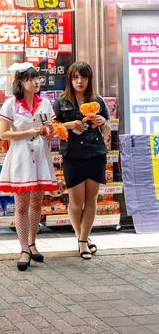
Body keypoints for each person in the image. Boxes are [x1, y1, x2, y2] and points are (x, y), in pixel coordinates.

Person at [0, 63, 59, 271]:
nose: (36, 82)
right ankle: (23, 248)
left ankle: (32, 243)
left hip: (40, 154)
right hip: (21, 155)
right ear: (21, 82)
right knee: (21, 204)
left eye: (38, 78)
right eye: (31, 79)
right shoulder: (10, 104)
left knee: (36, 203)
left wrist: (49, 131)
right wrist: (27, 133)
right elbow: (3, 134)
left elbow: (51, 128)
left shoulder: (45, 104)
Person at [52, 62, 111, 260]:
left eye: (84, 78)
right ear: (70, 79)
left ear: (89, 79)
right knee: (76, 202)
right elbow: (52, 127)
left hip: (96, 153)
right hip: (72, 155)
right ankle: (82, 238)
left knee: (91, 200)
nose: (80, 82)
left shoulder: (98, 100)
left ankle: (83, 240)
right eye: (76, 77)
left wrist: (103, 122)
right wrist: (68, 124)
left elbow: (107, 130)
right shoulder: (61, 101)